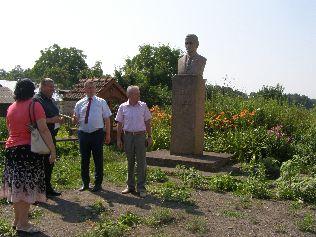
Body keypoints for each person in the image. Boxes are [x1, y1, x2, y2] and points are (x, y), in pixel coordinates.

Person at [0, 78, 56, 233]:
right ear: (32, 90)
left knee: (16, 187)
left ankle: (17, 220)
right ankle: (23, 225)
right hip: (28, 151)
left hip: (11, 150)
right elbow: (44, 130)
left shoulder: (11, 107)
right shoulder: (35, 105)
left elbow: (10, 130)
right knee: (25, 189)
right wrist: (53, 150)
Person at [73, 79, 111, 192]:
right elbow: (75, 120)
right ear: (84, 89)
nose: (90, 89)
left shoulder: (101, 102)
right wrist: (74, 119)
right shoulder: (79, 103)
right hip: (83, 134)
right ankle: (85, 183)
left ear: (95, 89)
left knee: (98, 159)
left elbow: (107, 119)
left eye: (92, 87)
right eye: (88, 87)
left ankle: (98, 184)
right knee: (84, 160)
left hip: (97, 134)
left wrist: (108, 134)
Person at [115, 85, 152, 198]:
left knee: (141, 162)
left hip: (140, 136)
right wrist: (118, 139)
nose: (139, 95)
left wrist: (149, 136)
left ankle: (141, 187)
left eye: (139, 93)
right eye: (136, 93)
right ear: (129, 95)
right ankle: (130, 186)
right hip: (128, 137)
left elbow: (148, 122)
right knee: (130, 161)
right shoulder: (123, 107)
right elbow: (119, 124)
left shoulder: (143, 106)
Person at [34, 78, 64, 197]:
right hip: (40, 137)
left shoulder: (50, 100)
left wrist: (58, 120)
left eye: (53, 86)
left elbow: (54, 115)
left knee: (49, 163)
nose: (53, 89)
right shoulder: (37, 100)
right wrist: (52, 120)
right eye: (50, 86)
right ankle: (38, 191)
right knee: (40, 164)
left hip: (51, 135)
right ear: (42, 86)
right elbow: (34, 121)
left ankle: (47, 187)